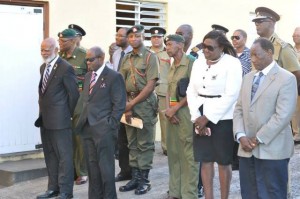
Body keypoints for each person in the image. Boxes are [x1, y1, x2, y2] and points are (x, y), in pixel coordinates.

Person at [233, 38, 297, 199]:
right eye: (251, 56)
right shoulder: (248, 78)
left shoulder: (286, 78)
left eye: (257, 55)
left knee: (272, 193)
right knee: (249, 193)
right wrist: (240, 136)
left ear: (269, 53)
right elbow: (239, 108)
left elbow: (283, 115)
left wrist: (258, 138)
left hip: (272, 150)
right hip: (247, 149)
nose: (253, 59)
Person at [186, 30, 242, 199]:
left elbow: (232, 94)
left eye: (210, 48)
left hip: (222, 117)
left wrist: (207, 117)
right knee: (205, 159)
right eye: (204, 46)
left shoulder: (232, 63)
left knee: (223, 162)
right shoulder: (199, 62)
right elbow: (191, 90)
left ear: (222, 47)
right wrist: (196, 116)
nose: (206, 51)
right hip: (199, 113)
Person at [75, 46, 126, 199]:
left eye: (90, 59)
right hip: (88, 128)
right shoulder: (88, 76)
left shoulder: (113, 76)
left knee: (106, 168)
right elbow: (86, 101)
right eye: (86, 60)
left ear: (101, 58)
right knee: (92, 168)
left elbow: (119, 104)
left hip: (104, 129)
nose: (88, 62)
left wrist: (110, 125)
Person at [35, 38, 79, 199]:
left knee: (64, 157)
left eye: (47, 49)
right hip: (45, 120)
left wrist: (71, 117)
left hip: (61, 121)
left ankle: (66, 191)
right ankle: (53, 188)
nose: (44, 52)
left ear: (55, 49)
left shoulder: (65, 68)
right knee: (50, 156)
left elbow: (73, 95)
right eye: (42, 49)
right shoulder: (43, 67)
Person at [118, 24, 159, 195]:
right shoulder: (126, 58)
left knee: (145, 144)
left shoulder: (150, 57)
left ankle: (144, 180)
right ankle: (134, 179)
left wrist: (131, 104)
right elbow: (121, 82)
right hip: (129, 104)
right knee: (132, 143)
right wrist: (126, 106)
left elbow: (150, 85)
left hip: (145, 104)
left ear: (143, 37)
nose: (134, 39)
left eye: (137, 36)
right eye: (131, 37)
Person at [164, 34, 199, 199]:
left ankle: (189, 194)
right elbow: (169, 92)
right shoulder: (172, 65)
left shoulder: (191, 63)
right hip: (173, 115)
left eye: (170, 44)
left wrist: (175, 108)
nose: (167, 47)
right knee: (174, 154)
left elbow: (194, 91)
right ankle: (175, 192)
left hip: (187, 115)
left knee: (189, 157)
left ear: (180, 45)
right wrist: (169, 111)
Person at [58, 28, 88, 185]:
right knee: (67, 137)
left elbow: (93, 79)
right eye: (59, 41)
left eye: (63, 41)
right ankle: (71, 171)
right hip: (63, 102)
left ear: (73, 41)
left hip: (80, 102)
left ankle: (82, 172)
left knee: (80, 137)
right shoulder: (60, 56)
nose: (60, 43)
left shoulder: (85, 55)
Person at [109, 27, 133, 182]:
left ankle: (136, 173)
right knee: (121, 139)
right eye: (116, 34)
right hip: (117, 100)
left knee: (133, 140)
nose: (117, 37)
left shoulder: (134, 53)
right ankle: (124, 171)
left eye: (121, 35)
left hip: (131, 100)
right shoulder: (116, 53)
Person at [230, 29, 252, 171]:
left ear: (244, 38)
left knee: (242, 124)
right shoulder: (228, 54)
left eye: (237, 37)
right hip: (230, 95)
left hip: (244, 94)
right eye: (232, 37)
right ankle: (232, 159)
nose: (234, 40)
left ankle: (241, 158)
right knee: (231, 125)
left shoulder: (250, 55)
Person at [149, 26, 170, 156]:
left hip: (163, 91)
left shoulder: (168, 52)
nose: (156, 39)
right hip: (148, 92)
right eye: (153, 37)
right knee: (148, 120)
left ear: (163, 38)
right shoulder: (146, 53)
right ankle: (148, 146)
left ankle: (166, 147)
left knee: (165, 120)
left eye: (158, 37)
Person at [292, 26, 300, 143]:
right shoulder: (290, 49)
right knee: (294, 109)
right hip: (294, 82)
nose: (295, 37)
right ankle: (296, 132)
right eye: (294, 35)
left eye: (298, 35)